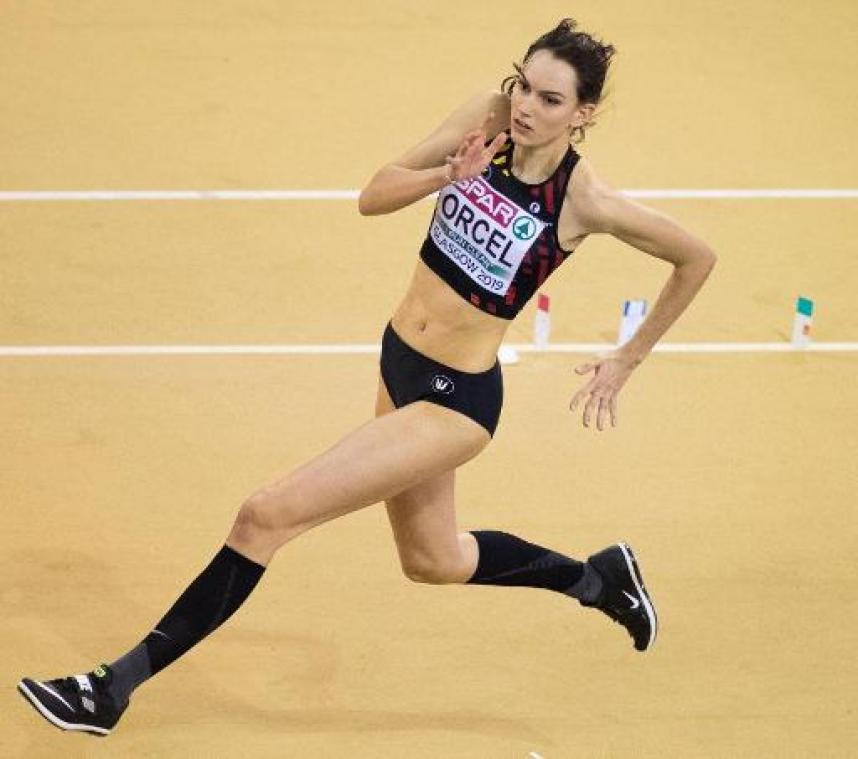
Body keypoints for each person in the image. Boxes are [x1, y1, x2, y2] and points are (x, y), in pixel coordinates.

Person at [18, 18, 716, 736]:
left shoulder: (583, 201)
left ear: (583, 114)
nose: (526, 107)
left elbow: (695, 257)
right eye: (523, 86)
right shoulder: (487, 120)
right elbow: (373, 194)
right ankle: (598, 579)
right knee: (433, 558)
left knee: (265, 515)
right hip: (399, 361)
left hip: (455, 404)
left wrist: (626, 359)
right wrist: (447, 176)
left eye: (550, 99)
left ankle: (111, 688)